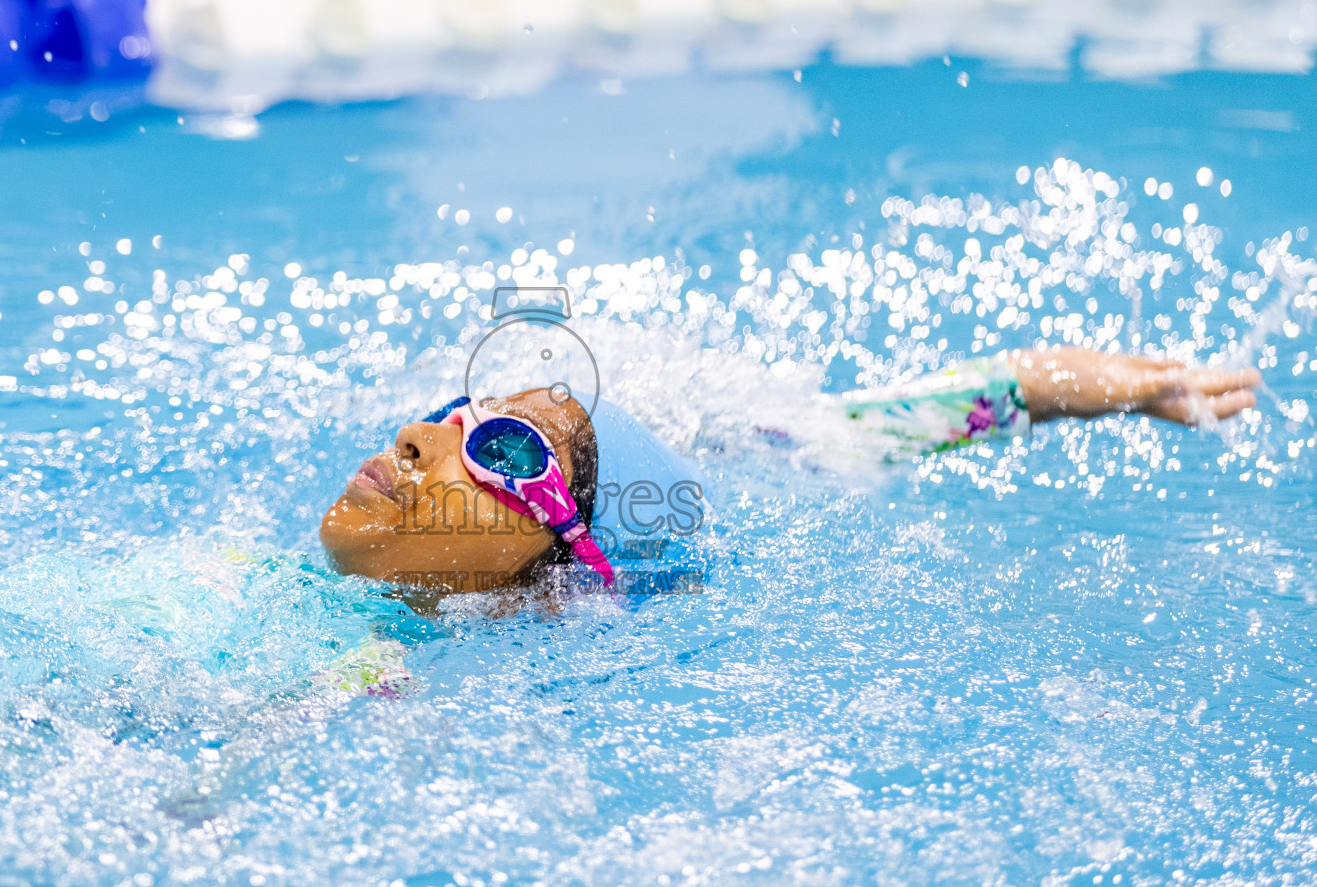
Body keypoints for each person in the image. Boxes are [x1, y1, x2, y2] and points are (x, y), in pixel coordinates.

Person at [318, 346, 1261, 593]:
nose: (412, 434)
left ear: (555, 568)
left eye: (503, 451)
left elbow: (974, 397)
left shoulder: (554, 620)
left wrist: (1150, 387)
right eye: (452, 418)